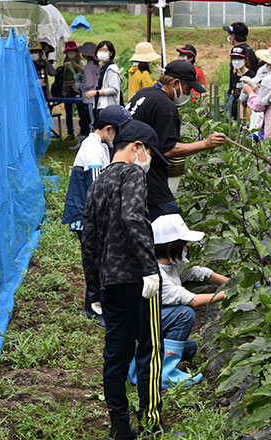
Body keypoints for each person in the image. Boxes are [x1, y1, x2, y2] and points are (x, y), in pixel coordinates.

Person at [81, 118, 171, 439]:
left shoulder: (98, 183)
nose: (147, 162)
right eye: (148, 153)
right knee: (150, 350)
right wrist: (149, 268)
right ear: (136, 148)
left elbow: (88, 237)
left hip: (109, 283)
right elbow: (133, 216)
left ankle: (120, 426)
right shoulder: (132, 173)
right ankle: (151, 424)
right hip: (138, 280)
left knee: (116, 354)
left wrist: (93, 288)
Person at [127, 214, 229, 389]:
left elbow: (199, 272)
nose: (186, 248)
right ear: (170, 246)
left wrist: (231, 281)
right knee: (184, 313)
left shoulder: (173, 263)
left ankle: (140, 363)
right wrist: (229, 294)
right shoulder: (156, 275)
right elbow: (194, 301)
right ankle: (162, 374)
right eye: (184, 244)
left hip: (150, 326)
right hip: (139, 331)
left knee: (189, 348)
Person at [126, 60, 225, 220]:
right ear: (175, 83)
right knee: (170, 221)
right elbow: (168, 149)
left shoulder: (143, 94)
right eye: (188, 88)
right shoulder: (165, 107)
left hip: (125, 167)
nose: (189, 93)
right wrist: (205, 144)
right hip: (146, 174)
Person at [62, 105, 132, 328]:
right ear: (110, 129)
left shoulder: (99, 144)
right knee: (97, 262)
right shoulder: (93, 150)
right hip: (87, 216)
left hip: (90, 214)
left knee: (100, 261)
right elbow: (97, 189)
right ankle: (94, 309)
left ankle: (96, 306)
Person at [224, 22, 258, 119]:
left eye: (229, 34)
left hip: (240, 93)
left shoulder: (237, 50)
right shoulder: (249, 49)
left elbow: (236, 71)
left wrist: (233, 89)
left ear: (233, 36)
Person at [73, 42, 101, 150]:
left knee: (88, 121)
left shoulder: (88, 67)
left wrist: (79, 84)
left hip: (89, 98)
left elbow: (89, 83)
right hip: (94, 97)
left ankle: (87, 144)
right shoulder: (96, 65)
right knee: (91, 120)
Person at [86, 41, 122, 122]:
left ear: (111, 53)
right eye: (100, 50)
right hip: (101, 106)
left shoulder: (112, 69)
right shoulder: (104, 68)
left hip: (108, 108)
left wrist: (96, 92)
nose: (102, 52)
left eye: (105, 50)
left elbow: (114, 89)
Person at [60, 40, 85, 141]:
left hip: (79, 90)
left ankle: (83, 132)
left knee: (81, 112)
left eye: (73, 51)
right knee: (68, 113)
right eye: (69, 52)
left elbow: (85, 73)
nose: (71, 54)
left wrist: (76, 65)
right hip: (67, 90)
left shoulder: (81, 63)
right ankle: (70, 133)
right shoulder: (65, 63)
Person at [229, 45, 256, 122]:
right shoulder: (233, 76)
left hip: (246, 112)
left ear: (245, 60)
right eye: (234, 59)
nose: (236, 61)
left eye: (239, 58)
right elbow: (231, 91)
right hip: (234, 111)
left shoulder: (251, 75)